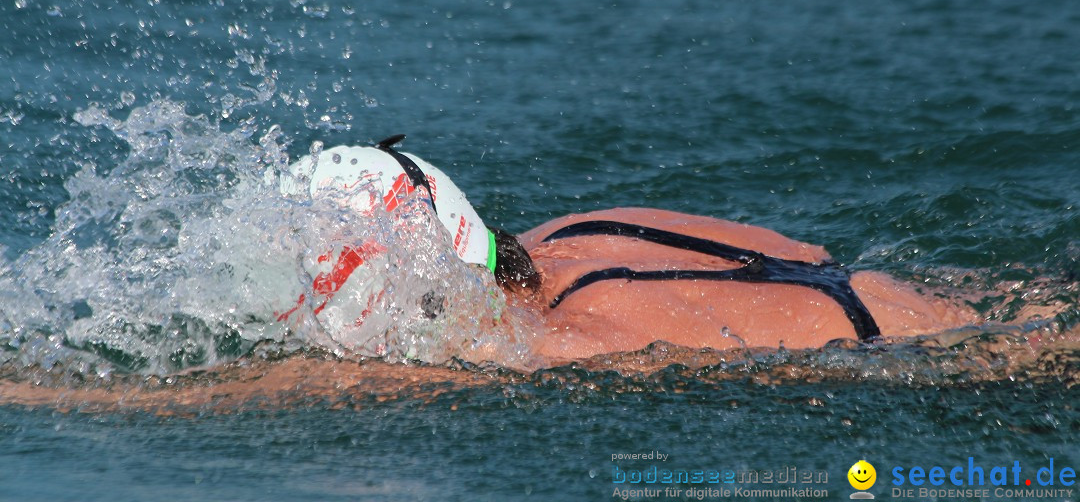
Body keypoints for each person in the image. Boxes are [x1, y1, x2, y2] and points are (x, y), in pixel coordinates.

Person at [282, 137, 980, 363]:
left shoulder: (567, 339)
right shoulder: (569, 233)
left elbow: (340, 389)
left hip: (959, 347)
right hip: (902, 291)